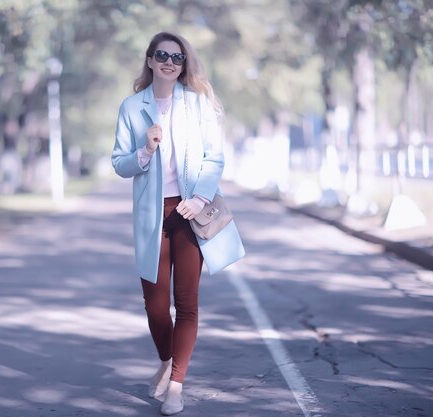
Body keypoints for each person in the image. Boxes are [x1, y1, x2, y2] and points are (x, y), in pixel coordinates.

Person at [112, 31, 245, 416]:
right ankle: (167, 359)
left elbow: (214, 158)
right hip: (152, 216)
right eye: (162, 55)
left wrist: (199, 197)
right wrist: (145, 149)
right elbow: (119, 163)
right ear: (150, 60)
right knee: (155, 306)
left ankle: (176, 385)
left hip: (190, 212)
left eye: (178, 56)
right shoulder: (131, 107)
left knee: (186, 304)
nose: (170, 61)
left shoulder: (197, 105)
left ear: (184, 64)